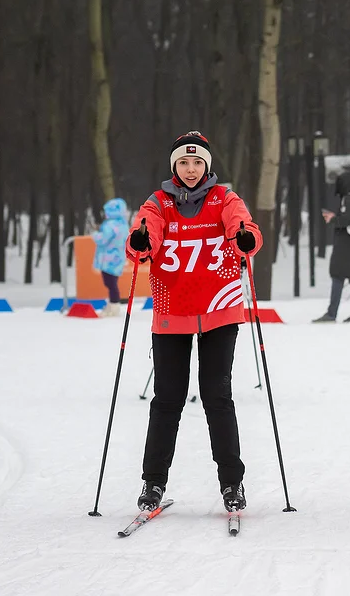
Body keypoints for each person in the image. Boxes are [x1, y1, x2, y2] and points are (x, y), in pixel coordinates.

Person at [125, 131, 263, 514]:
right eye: (183, 163)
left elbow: (244, 226)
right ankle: (153, 484)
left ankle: (232, 485)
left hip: (220, 310)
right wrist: (140, 241)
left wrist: (245, 238)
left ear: (207, 166)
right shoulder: (159, 202)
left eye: (197, 162)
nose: (190, 169)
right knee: (167, 400)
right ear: (174, 167)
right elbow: (146, 232)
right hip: (173, 314)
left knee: (217, 397)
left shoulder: (224, 198)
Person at [313, 172, 350, 323]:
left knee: (337, 277)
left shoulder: (348, 199)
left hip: (345, 248)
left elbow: (346, 220)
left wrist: (332, 219)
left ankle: (331, 313)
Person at [90, 198, 129, 316]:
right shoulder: (123, 223)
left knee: (110, 283)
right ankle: (113, 304)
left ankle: (114, 305)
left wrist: (95, 234)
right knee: (113, 282)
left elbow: (103, 239)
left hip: (108, 258)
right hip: (118, 257)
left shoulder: (110, 225)